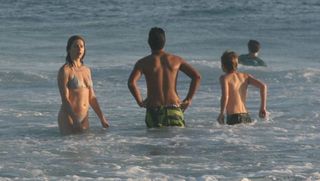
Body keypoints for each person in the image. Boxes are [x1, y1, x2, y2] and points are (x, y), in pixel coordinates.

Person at [128, 27, 201, 128]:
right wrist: (188, 99)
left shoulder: (143, 63)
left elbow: (132, 83)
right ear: (164, 41)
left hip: (154, 110)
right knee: (176, 142)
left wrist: (140, 101)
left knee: (155, 142)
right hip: (174, 109)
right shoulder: (176, 60)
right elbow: (196, 76)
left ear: (148, 42)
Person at [57, 35, 109, 135]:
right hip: (69, 117)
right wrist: (75, 119)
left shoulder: (87, 70)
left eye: (81, 46)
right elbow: (65, 99)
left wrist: (102, 117)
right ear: (69, 49)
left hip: (84, 117)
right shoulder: (65, 71)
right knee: (69, 148)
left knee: (84, 149)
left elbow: (92, 97)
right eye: (75, 46)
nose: (79, 49)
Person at [217, 51, 267, 125]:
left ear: (223, 65)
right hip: (246, 116)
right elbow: (263, 86)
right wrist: (263, 107)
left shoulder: (225, 78)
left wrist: (221, 113)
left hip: (233, 117)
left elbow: (225, 96)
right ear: (237, 64)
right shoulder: (245, 76)